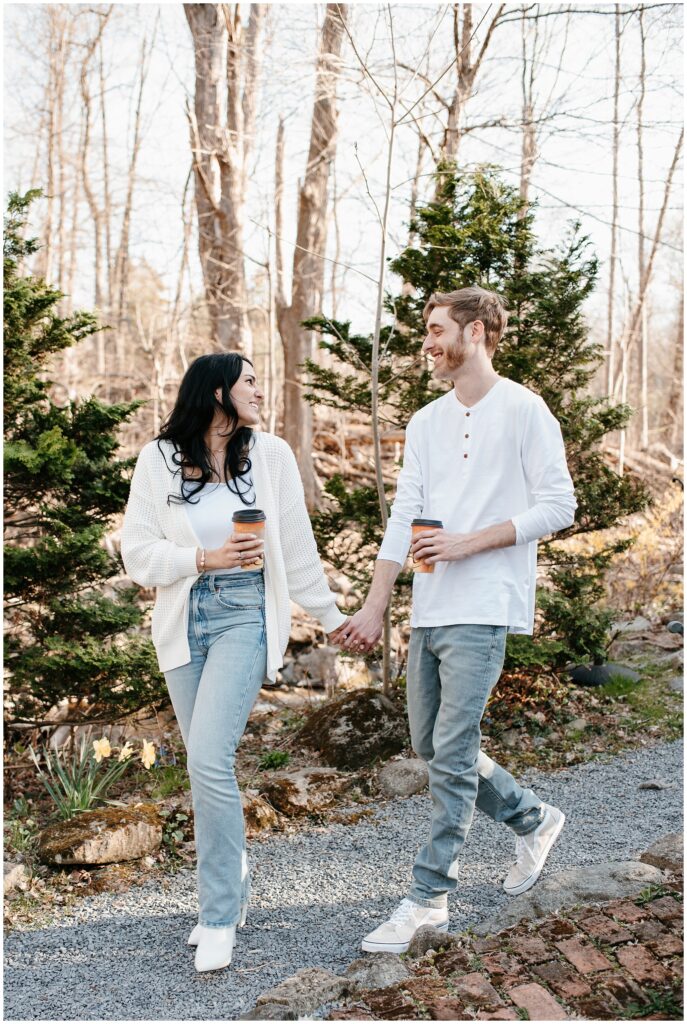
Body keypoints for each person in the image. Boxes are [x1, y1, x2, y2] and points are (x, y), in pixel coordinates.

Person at [329, 286, 577, 954]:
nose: (427, 345)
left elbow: (558, 506)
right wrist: (377, 602)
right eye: (424, 333)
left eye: (435, 330)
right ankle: (532, 817)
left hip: (486, 601)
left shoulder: (525, 410)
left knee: (454, 748)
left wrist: (468, 542)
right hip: (431, 605)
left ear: (476, 330)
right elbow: (403, 516)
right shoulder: (426, 422)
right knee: (432, 746)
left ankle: (427, 898)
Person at [121, 353, 349, 973]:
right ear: (217, 390)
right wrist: (203, 559)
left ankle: (218, 913)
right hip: (184, 619)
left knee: (208, 756)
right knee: (204, 768)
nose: (258, 389)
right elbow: (136, 553)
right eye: (248, 380)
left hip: (244, 617)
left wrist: (333, 619)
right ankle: (235, 883)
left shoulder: (271, 456)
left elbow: (297, 551)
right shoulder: (158, 458)